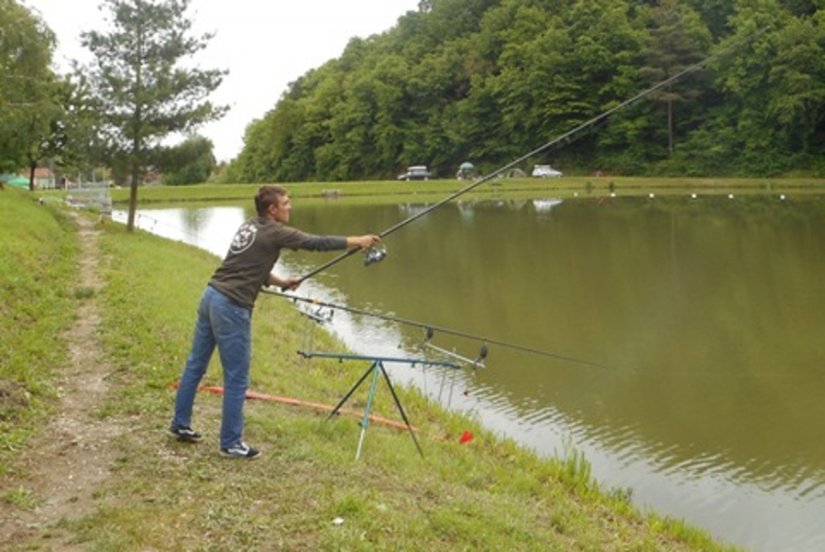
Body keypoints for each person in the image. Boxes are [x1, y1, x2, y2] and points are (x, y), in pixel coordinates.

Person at [169, 185, 381, 459]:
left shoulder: (250, 226)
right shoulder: (276, 231)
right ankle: (231, 443)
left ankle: (180, 424)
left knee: (195, 365)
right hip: (231, 306)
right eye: (286, 202)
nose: (290, 206)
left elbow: (250, 265)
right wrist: (358, 240)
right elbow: (316, 242)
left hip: (211, 296)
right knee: (236, 377)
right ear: (272, 209)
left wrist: (281, 281)